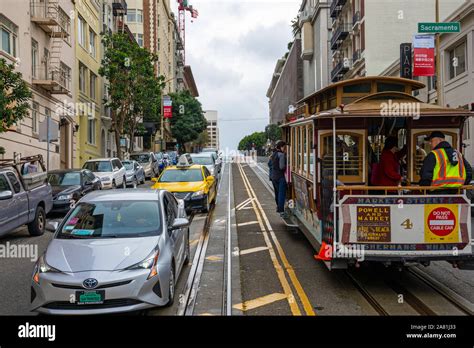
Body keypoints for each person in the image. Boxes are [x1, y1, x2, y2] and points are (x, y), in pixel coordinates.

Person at [271, 140, 287, 218]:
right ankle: (281, 210)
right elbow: (281, 167)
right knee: (281, 194)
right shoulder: (281, 155)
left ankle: (278, 207)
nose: (285, 149)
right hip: (280, 177)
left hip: (274, 177)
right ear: (281, 147)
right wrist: (286, 166)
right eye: (284, 147)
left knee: (277, 193)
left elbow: (270, 164)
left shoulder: (273, 154)